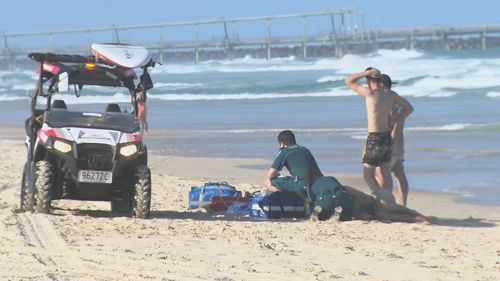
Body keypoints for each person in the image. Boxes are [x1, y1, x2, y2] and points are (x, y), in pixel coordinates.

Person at [345, 67, 413, 204]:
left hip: (374, 137)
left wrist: (366, 73)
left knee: (367, 175)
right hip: (386, 137)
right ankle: (388, 202)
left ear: (369, 80)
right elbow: (409, 108)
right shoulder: (391, 94)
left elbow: (349, 80)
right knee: (385, 173)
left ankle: (380, 197)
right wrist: (399, 118)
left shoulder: (370, 93)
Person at [264, 130, 353, 221]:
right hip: (317, 181)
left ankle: (289, 196)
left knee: (267, 182)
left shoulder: (284, 152)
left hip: (302, 184)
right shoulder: (305, 149)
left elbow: (270, 175)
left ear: (281, 144)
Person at [376, 74, 413, 206]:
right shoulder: (397, 101)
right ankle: (403, 204)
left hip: (391, 145)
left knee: (381, 175)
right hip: (399, 147)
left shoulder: (388, 102)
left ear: (380, 85)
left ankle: (385, 204)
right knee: (400, 175)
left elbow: (395, 127)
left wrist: (390, 144)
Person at [343, 185, 435, 223]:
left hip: (376, 200)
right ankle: (417, 219)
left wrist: (357, 214)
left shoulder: (345, 189)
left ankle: (417, 214)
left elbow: (359, 198)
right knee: (381, 215)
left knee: (385, 207)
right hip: (373, 212)